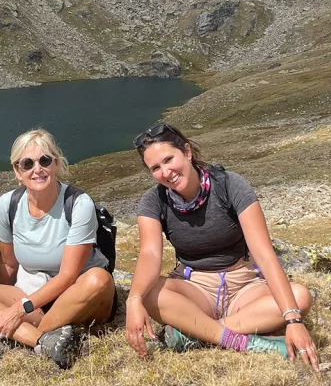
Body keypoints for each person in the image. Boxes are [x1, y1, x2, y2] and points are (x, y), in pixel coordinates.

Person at [124, 122, 319, 369]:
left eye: (168, 159)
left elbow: (263, 252)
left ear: (187, 152)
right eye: (155, 168)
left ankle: (197, 333)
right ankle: (243, 342)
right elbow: (150, 253)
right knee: (148, 293)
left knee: (300, 296)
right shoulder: (154, 201)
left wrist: (292, 320)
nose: (166, 172)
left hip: (244, 284)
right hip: (196, 287)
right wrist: (134, 299)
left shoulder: (229, 185)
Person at [0, 128, 115, 369]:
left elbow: (69, 276)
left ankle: (16, 337)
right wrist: (6, 309)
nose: (37, 169)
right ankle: (40, 340)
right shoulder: (8, 204)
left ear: (56, 164)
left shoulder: (78, 203)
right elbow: (8, 262)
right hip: (32, 296)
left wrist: (17, 310)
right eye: (27, 163)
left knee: (98, 279)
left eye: (45, 160)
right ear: (18, 171)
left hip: (80, 297)